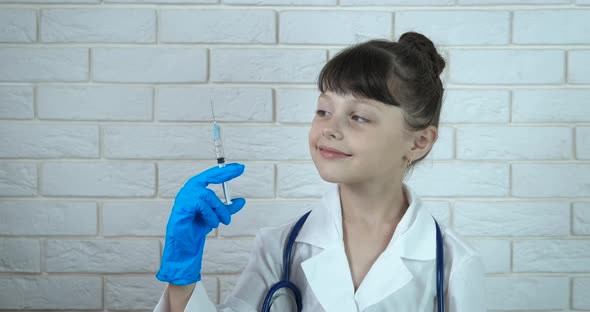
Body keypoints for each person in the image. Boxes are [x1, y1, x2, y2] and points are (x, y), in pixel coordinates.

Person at [154, 32, 486, 312]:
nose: (329, 128)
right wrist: (182, 280)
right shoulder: (280, 248)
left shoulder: (453, 264)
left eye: (358, 116)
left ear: (419, 142)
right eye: (323, 110)